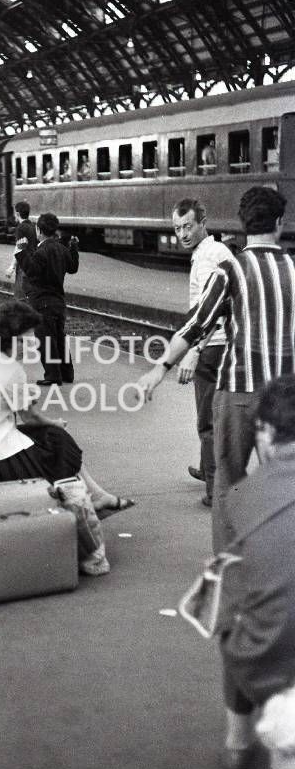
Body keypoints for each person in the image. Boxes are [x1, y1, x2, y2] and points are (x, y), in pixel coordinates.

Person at [138, 186, 295, 555]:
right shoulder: (293, 269)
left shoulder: (230, 269)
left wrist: (159, 368)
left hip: (238, 392)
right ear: (280, 222)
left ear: (242, 225)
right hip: (284, 398)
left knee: (228, 483)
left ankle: (228, 566)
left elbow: (195, 325)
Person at [0, 300, 135, 576]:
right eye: (27, 341)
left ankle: (99, 496)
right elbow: (32, 418)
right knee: (58, 440)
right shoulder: (11, 370)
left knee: (53, 438)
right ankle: (90, 524)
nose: (32, 346)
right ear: (10, 340)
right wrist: (56, 423)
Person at [216, 374, 295, 769]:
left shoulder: (240, 495)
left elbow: (239, 577)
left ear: (265, 433)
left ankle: (237, 741)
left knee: (238, 615)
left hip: (267, 653)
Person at [171, 198, 234, 507]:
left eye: (188, 226)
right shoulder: (211, 251)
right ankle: (208, 469)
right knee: (212, 415)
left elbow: (213, 310)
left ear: (202, 223)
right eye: (177, 228)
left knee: (207, 422)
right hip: (221, 345)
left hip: (212, 348)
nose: (182, 234)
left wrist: (195, 349)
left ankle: (214, 490)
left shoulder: (209, 258)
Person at [15, 211, 78, 386]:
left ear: (39, 230)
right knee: (59, 338)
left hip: (42, 303)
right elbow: (73, 267)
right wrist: (74, 248)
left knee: (45, 340)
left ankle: (52, 375)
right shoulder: (61, 249)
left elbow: (33, 273)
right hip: (59, 301)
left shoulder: (42, 251)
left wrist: (21, 253)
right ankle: (67, 373)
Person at [5, 201, 37, 301]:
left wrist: (12, 266)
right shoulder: (32, 226)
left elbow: (19, 247)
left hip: (23, 265)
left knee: (20, 297)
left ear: (17, 214)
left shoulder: (20, 228)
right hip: (32, 263)